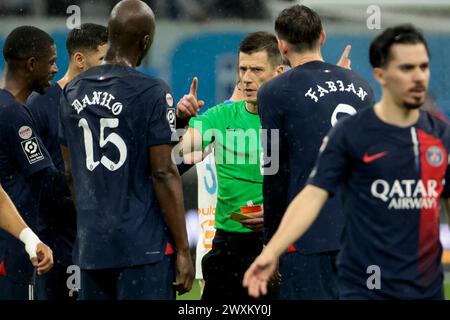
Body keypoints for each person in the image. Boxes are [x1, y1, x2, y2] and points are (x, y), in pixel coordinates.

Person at [244, 24, 447, 300]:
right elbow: (312, 195)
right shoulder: (348, 134)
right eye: (406, 68)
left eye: (423, 67)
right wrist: (272, 249)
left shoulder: (439, 136)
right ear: (381, 75)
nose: (419, 77)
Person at [59, 0, 194, 300]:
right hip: (142, 248)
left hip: (92, 248)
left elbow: (71, 172)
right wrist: (184, 250)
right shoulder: (152, 91)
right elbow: (162, 171)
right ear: (145, 41)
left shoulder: (72, 91)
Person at [258, 5, 375, 299]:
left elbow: (273, 170)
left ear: (281, 45)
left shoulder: (273, 92)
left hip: (307, 237)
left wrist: (271, 243)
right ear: (322, 37)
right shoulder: (363, 88)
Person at [178, 32, 285, 300]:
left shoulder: (292, 121)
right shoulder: (220, 116)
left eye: (257, 70)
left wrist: (276, 212)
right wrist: (181, 121)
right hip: (228, 249)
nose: (246, 78)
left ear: (279, 72)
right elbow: (178, 152)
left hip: (278, 245)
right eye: (242, 69)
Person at [27, 23, 108, 300]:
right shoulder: (40, 104)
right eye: (103, 61)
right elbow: (36, 175)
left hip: (95, 233)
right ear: (80, 60)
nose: (109, 69)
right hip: (54, 235)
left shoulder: (104, 105)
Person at [0, 26, 57, 300]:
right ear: (32, 64)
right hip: (11, 252)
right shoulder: (14, 115)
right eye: (52, 61)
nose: (55, 69)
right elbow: (48, 180)